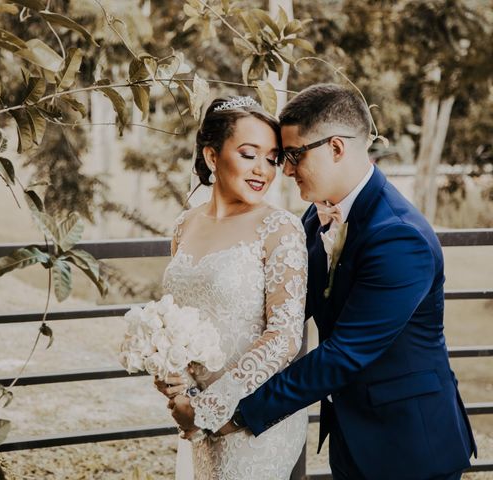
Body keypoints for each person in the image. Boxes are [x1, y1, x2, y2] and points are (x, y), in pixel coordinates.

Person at [171, 84, 477, 479]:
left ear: (336, 148)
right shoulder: (314, 219)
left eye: (293, 155)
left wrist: (231, 416)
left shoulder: (401, 237)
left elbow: (344, 354)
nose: (285, 169)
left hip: (409, 442)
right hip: (351, 433)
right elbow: (281, 306)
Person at [157, 96, 308, 479]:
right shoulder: (185, 224)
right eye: (248, 154)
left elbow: (285, 337)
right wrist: (176, 382)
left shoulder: (280, 228)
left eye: (272, 158)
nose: (263, 170)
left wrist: (210, 406)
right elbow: (176, 318)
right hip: (195, 412)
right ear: (212, 156)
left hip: (250, 420)